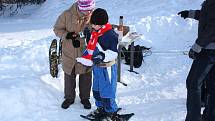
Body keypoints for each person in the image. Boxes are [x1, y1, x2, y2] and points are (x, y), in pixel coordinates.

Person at [77, 8, 120, 120]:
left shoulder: (110, 35)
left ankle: (111, 112)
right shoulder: (96, 33)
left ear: (101, 24)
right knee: (97, 89)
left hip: (107, 68)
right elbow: (92, 48)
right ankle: (101, 108)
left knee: (107, 91)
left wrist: (103, 56)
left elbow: (114, 53)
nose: (92, 26)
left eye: (94, 24)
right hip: (97, 67)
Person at [53, 0, 95, 109]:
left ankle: (85, 98)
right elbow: (57, 29)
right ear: (81, 8)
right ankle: (69, 98)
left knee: (86, 75)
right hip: (69, 52)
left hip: (85, 51)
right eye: (87, 10)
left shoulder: (93, 15)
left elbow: (100, 28)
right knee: (69, 75)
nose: (89, 12)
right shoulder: (66, 14)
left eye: (91, 10)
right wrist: (67, 35)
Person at [178, 0, 215, 121]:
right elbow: (209, 16)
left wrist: (197, 47)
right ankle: (210, 116)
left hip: (209, 49)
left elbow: (212, 26)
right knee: (212, 85)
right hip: (210, 49)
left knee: (193, 83)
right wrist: (192, 13)